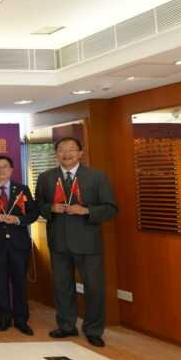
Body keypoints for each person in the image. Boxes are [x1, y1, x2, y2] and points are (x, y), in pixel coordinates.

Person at [35, 137, 119, 347]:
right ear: (56, 154)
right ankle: (66, 326)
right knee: (62, 287)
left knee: (94, 288)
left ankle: (93, 330)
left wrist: (87, 210)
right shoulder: (46, 177)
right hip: (58, 243)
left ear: (81, 152)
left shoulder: (96, 177)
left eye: (71, 149)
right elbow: (38, 204)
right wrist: (50, 209)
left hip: (88, 243)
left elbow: (111, 208)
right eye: (62, 150)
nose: (67, 153)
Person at [0, 155, 40, 336]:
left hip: (19, 243)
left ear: (11, 170)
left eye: (5, 167)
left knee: (19, 281)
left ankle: (21, 319)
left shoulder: (22, 189)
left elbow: (34, 213)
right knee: (0, 281)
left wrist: (18, 219)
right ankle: (4, 318)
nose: (1, 170)